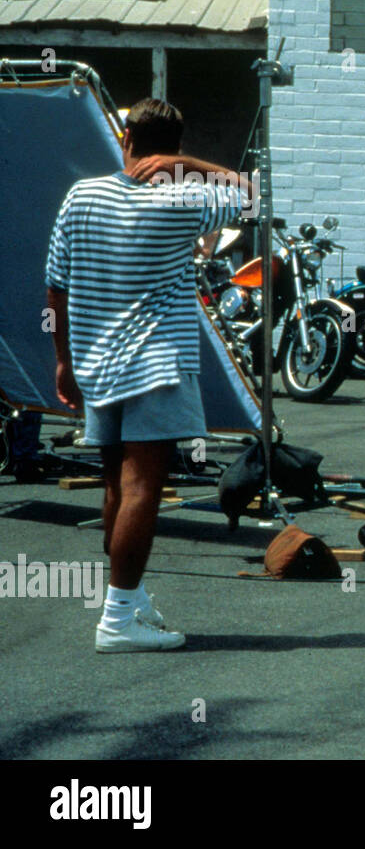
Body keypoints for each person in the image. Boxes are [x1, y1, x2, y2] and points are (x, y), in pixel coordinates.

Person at [45, 97, 250, 652]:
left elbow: (56, 286)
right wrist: (195, 167)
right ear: (174, 147)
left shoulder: (81, 196)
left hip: (95, 359)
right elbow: (254, 195)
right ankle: (116, 619)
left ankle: (128, 601)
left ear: (125, 138)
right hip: (156, 363)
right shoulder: (186, 196)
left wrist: (63, 360)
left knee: (116, 483)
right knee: (143, 488)